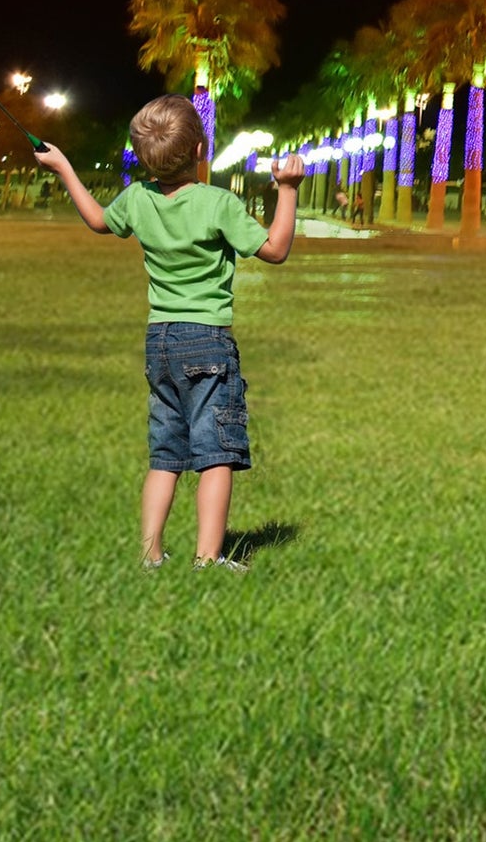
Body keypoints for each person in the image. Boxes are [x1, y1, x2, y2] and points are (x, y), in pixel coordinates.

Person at [34, 94, 307, 568]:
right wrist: (287, 188)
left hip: (159, 342)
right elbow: (276, 249)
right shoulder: (217, 203)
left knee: (165, 455)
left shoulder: (137, 199)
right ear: (201, 150)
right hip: (207, 340)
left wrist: (64, 170)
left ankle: (151, 554)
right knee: (216, 454)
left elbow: (99, 221)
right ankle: (207, 559)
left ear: (143, 157)